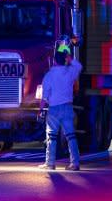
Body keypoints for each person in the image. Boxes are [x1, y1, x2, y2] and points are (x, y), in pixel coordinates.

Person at [39, 38, 82, 171]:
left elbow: (44, 97)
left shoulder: (49, 75)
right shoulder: (70, 72)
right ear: (64, 59)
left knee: (51, 136)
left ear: (54, 60)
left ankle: (50, 163)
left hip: (54, 109)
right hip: (67, 107)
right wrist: (69, 57)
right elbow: (79, 66)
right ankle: (75, 163)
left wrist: (40, 110)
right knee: (71, 136)